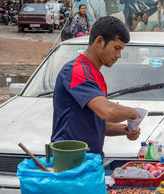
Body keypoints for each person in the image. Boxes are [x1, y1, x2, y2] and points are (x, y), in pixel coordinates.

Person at [51, 16, 141, 158]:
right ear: (99, 41)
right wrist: (133, 113)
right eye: (116, 48)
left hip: (89, 161)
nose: (119, 55)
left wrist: (125, 130)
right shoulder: (77, 71)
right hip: (70, 162)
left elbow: (97, 123)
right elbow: (107, 111)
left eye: (121, 49)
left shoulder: (95, 75)